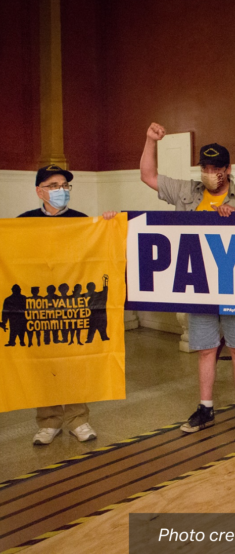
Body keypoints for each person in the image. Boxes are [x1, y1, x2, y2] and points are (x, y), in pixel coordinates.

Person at [140, 122, 235, 435]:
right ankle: (205, 407)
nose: (210, 173)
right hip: (198, 285)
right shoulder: (186, 191)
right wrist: (150, 141)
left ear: (228, 169)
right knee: (206, 348)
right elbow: (148, 176)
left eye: (215, 168)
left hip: (234, 285)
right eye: (205, 167)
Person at [17, 164, 117, 445]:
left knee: (74, 362)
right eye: (53, 186)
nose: (61, 191)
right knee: (44, 364)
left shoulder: (82, 220)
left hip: (72, 305)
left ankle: (78, 420)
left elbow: (96, 256)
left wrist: (107, 224)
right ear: (40, 191)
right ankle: (48, 421)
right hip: (39, 308)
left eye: (65, 186)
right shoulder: (23, 222)